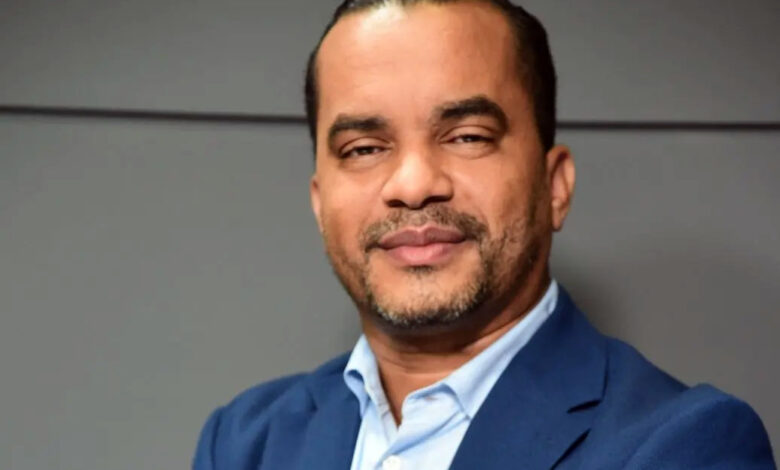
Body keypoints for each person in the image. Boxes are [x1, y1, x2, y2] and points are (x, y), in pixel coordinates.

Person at [193, 1, 776, 468]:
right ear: (320, 204)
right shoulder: (245, 444)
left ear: (555, 186)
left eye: (467, 137)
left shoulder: (683, 447)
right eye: (364, 148)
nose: (413, 184)